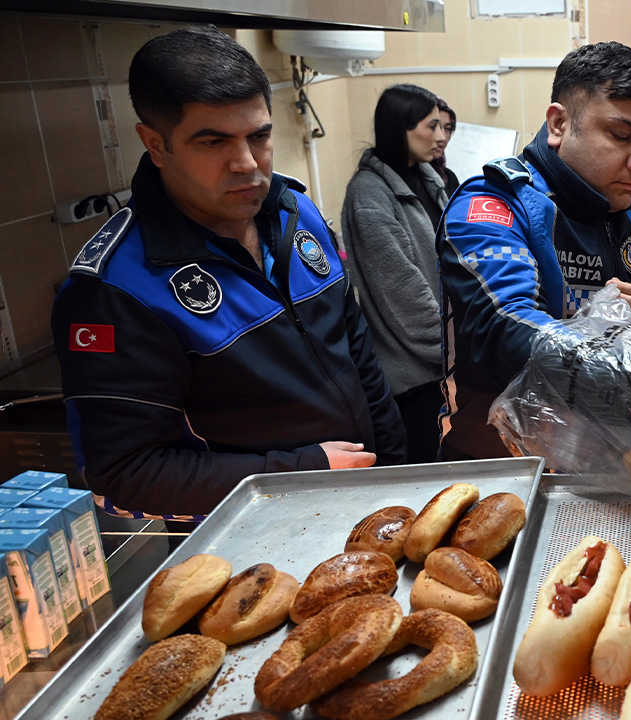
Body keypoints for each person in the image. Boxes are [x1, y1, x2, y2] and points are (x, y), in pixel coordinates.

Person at [50, 27, 406, 522]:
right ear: (155, 143)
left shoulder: (294, 211)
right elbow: (126, 473)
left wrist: (397, 473)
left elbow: (357, 355)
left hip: (362, 502)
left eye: (258, 136)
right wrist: (301, 471)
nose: (247, 165)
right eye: (213, 141)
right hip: (253, 538)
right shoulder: (117, 288)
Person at [436, 41, 631, 461]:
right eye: (621, 136)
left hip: (619, 467)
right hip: (505, 471)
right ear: (559, 124)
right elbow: (503, 329)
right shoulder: (493, 205)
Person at [343, 84, 450, 463]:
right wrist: (453, 352)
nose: (440, 137)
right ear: (399, 127)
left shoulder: (429, 178)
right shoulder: (369, 194)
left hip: (444, 364)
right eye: (431, 126)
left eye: (442, 126)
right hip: (415, 378)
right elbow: (402, 293)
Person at [430, 98, 461, 196]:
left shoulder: (449, 178)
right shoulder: (409, 179)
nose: (442, 137)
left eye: (448, 128)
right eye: (434, 126)